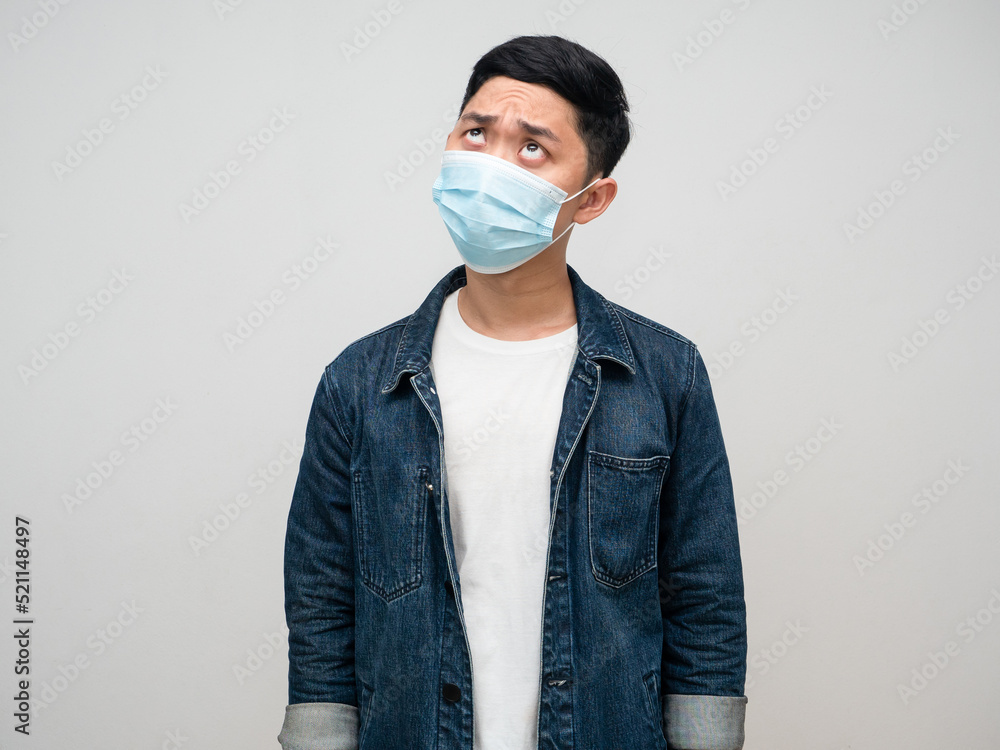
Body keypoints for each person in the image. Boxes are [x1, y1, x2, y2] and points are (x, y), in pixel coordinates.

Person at [278, 34, 747, 750]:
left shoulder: (663, 373)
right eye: (476, 133)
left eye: (532, 147)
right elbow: (321, 597)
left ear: (591, 199)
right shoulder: (360, 381)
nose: (491, 164)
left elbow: (704, 593)